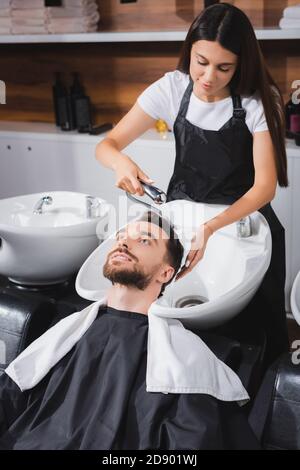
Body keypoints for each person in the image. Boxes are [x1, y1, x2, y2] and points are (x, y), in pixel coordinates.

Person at [95, 2, 289, 370]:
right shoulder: (171, 88)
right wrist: (122, 163)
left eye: (224, 67)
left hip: (243, 225)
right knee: (179, 333)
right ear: (190, 51)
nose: (209, 76)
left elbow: (264, 188)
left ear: (241, 64)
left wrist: (213, 227)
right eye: (201, 62)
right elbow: (106, 145)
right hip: (183, 221)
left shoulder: (258, 101)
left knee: (254, 341)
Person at [0, 211, 259, 450]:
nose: (124, 243)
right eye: (122, 237)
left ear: (166, 273)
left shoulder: (185, 358)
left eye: (144, 240)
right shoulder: (67, 331)